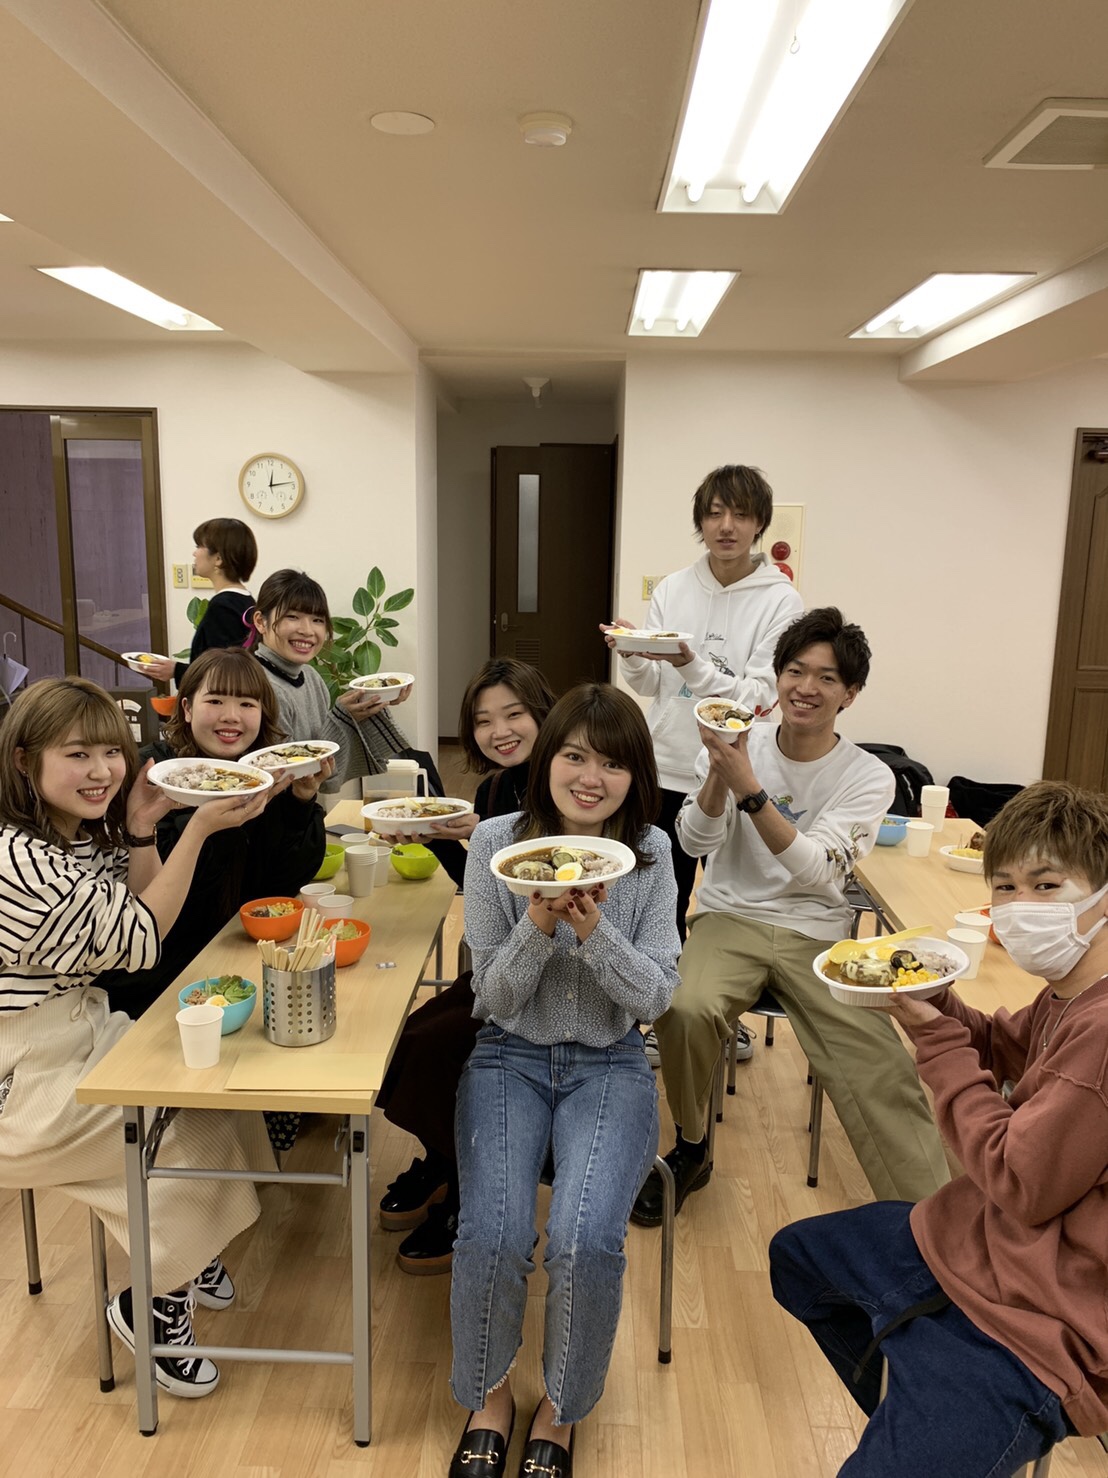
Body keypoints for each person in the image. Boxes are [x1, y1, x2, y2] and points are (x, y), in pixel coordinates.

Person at [769, 780, 1108, 1476]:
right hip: (982, 1247)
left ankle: (938, 1427)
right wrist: (935, 1002)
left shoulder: (1101, 1034)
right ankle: (916, 1413)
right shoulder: (1071, 991)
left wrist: (935, 1041)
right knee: (797, 1257)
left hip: (1048, 1325)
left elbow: (1020, 1182)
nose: (1021, 906)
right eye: (1006, 888)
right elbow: (1005, 1044)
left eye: (1047, 886)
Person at [0, 677, 274, 1399]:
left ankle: (188, 1252)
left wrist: (145, 830)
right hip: (21, 1076)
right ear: (24, 760)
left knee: (217, 1085)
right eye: (77, 755)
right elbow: (140, 940)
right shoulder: (17, 861)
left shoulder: (65, 834)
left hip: (77, 1031)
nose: (101, 772)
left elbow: (135, 908)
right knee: (165, 1133)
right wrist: (201, 831)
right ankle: (153, 1301)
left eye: (111, 753)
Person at [631, 607, 949, 1228]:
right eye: (795, 671)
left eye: (827, 678)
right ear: (776, 678)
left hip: (820, 934)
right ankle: (692, 1145)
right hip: (729, 917)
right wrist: (719, 778)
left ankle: (938, 1218)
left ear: (850, 694)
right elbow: (693, 843)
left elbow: (818, 873)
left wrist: (749, 789)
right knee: (683, 1007)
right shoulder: (735, 740)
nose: (807, 687)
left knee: (882, 1066)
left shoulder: (867, 775)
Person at [448, 683, 680, 1478]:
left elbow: (655, 998)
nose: (590, 777)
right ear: (547, 759)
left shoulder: (651, 853)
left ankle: (561, 1408)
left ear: (635, 776)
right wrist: (541, 918)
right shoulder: (496, 845)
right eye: (575, 756)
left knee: (584, 1242)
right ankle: (488, 1397)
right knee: (493, 1233)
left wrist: (594, 928)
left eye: (612, 764)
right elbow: (491, 996)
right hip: (508, 1055)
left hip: (610, 1062)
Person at [375, 658, 556, 1274]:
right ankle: (443, 1156)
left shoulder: (563, 783)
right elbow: (480, 890)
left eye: (514, 714)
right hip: (501, 966)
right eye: (483, 721)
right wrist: (442, 840)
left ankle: (465, 1194)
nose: (499, 731)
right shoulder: (493, 791)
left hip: (554, 978)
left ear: (543, 714)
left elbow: (551, 875)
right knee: (407, 1039)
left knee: (442, 1050)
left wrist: (487, 836)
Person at [602, 464, 803, 950]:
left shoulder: (782, 601)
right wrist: (631, 654)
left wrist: (690, 663)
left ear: (760, 523)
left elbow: (757, 700)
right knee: (654, 903)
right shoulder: (673, 588)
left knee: (728, 905)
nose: (726, 526)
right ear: (701, 522)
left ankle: (714, 992)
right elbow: (653, 685)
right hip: (662, 767)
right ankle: (657, 992)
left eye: (740, 514)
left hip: (732, 774)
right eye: (714, 514)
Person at [102, 646, 329, 1019]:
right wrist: (209, 825)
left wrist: (302, 800)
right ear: (187, 708)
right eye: (215, 700)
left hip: (236, 960)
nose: (231, 716)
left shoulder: (261, 775)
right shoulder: (155, 775)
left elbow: (281, 886)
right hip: (156, 977)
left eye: (247, 704)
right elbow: (161, 905)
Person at [143, 518, 258, 685]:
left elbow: (221, 673)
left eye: (199, 546)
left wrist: (176, 670)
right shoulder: (245, 600)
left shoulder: (222, 608)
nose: (194, 553)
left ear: (218, 558)